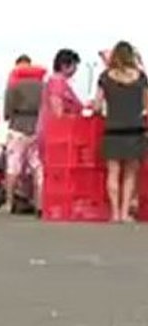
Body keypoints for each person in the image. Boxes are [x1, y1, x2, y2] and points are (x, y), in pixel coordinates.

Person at [95, 41, 148, 223]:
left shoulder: (105, 77)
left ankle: (115, 213)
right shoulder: (140, 77)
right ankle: (125, 213)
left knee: (113, 172)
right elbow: (146, 104)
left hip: (113, 129)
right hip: (135, 129)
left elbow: (97, 105)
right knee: (130, 174)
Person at [37, 49, 83, 212]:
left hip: (50, 130)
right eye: (74, 66)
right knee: (56, 168)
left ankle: (45, 204)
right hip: (56, 132)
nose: (76, 70)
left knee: (50, 168)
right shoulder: (57, 82)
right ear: (65, 65)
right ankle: (49, 204)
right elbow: (57, 109)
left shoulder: (56, 82)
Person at [3, 55, 46, 213]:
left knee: (13, 166)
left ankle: (9, 203)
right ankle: (39, 203)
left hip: (18, 126)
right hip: (37, 127)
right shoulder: (42, 85)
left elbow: (7, 112)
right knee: (37, 166)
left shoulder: (14, 85)